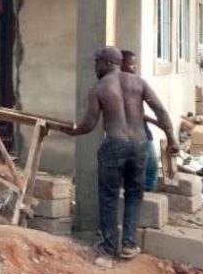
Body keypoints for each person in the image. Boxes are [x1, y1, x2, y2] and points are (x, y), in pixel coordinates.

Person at [63, 46, 178, 260]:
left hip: (114, 146)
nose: (95, 66)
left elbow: (89, 124)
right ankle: (128, 244)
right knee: (134, 195)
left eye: (97, 62)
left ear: (107, 63)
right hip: (140, 145)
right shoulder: (139, 82)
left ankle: (109, 246)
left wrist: (73, 132)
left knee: (109, 196)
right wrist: (172, 139)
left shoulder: (99, 88)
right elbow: (160, 110)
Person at [120, 50, 159, 192]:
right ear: (121, 65)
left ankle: (146, 194)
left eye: (135, 64)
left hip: (143, 130)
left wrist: (156, 122)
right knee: (140, 166)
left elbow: (140, 113)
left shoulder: (137, 84)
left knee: (152, 165)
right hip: (129, 134)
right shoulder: (114, 86)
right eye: (131, 64)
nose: (135, 68)